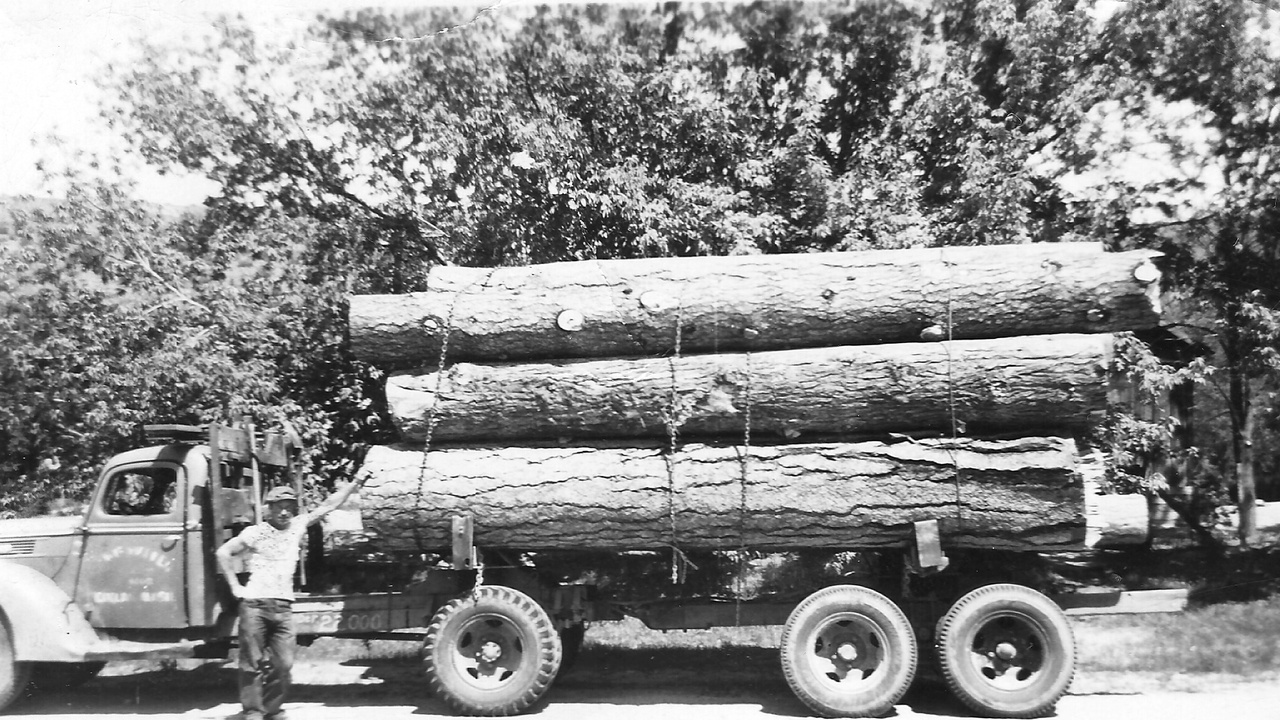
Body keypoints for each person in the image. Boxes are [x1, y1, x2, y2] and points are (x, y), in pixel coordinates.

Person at [216, 478, 365, 720]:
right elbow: (223, 552)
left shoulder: (298, 526)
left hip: (284, 607)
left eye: (289, 506)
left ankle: (272, 709)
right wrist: (235, 586)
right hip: (255, 605)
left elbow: (328, 505)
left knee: (284, 663)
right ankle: (252, 711)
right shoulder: (256, 532)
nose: (284, 512)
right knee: (251, 662)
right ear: (269, 509)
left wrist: (356, 482)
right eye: (278, 506)